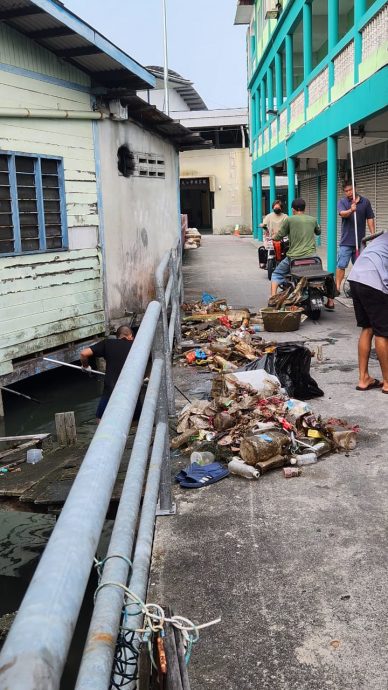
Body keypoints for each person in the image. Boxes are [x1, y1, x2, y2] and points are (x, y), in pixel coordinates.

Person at [347, 232, 388, 393]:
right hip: (373, 282)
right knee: (383, 333)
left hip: (356, 278)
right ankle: (387, 382)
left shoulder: (381, 239)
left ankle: (363, 378)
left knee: (368, 327)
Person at [326, 180, 375, 309]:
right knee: (341, 266)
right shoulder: (342, 202)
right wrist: (351, 210)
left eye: (350, 190)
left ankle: (361, 294)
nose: (348, 193)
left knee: (362, 268)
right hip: (346, 242)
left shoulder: (365, 202)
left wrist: (373, 235)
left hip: (360, 242)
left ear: (355, 188)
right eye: (346, 191)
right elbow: (342, 213)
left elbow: (370, 218)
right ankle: (335, 291)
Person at [80, 324, 134, 421]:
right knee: (136, 421)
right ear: (129, 336)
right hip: (132, 389)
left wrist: (86, 366)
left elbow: (84, 353)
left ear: (118, 337)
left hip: (111, 388)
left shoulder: (107, 343)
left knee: (99, 419)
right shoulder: (136, 345)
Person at [270, 198, 321, 296]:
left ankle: (272, 299)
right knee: (319, 276)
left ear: (293, 209)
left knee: (276, 274)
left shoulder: (289, 219)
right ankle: (331, 302)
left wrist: (273, 237)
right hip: (312, 257)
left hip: (295, 257)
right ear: (304, 208)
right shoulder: (313, 219)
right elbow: (318, 232)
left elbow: (279, 235)